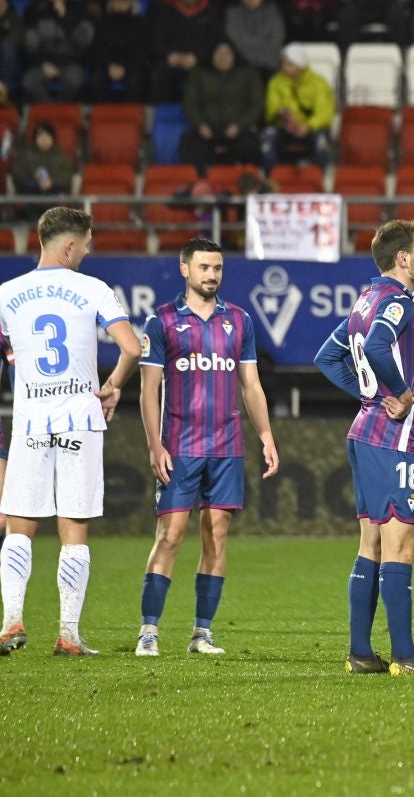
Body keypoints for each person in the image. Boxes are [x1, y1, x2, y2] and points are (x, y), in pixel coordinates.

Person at [313, 219, 414, 676]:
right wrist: (397, 391)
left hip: (365, 432)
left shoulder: (364, 300)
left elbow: (326, 356)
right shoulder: (398, 301)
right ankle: (406, 656)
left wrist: (369, 395)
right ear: (403, 259)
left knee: (371, 543)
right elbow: (378, 346)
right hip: (394, 439)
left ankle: (360, 654)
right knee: (401, 544)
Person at [0, 207, 141, 657]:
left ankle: (11, 623)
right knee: (73, 528)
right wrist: (114, 385)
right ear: (69, 245)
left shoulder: (7, 293)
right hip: (80, 416)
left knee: (19, 526)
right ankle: (68, 634)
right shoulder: (93, 289)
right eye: (86, 243)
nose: (88, 250)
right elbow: (132, 347)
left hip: (29, 420)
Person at [134, 239, 279, 658]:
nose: (212, 275)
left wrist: (266, 435)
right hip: (179, 446)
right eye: (203, 267)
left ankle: (202, 633)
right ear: (185, 269)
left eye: (217, 268)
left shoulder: (239, 320)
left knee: (216, 536)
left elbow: (251, 385)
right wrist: (154, 443)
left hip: (228, 446)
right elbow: (148, 391)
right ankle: (149, 630)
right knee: (171, 535)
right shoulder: (161, 322)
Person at [179, 41, 264, 174]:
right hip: (207, 128)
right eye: (218, 53)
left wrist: (239, 125)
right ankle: (200, 184)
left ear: (234, 55)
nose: (222, 56)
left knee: (251, 146)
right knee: (189, 145)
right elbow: (190, 103)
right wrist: (200, 125)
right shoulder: (198, 73)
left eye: (227, 53)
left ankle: (248, 182)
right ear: (212, 55)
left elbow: (256, 105)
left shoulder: (249, 74)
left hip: (238, 128)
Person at [149, 0, 222, 104]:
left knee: (205, 77)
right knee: (158, 75)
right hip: (171, 60)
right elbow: (156, 42)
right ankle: (163, 118)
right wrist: (170, 56)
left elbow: (214, 42)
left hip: (200, 62)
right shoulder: (165, 12)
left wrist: (197, 57)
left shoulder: (210, 13)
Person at [262, 43, 335, 172]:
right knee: (267, 140)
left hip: (310, 128)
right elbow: (271, 109)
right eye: (284, 63)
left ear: (300, 65)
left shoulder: (318, 83)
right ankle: (271, 179)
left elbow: (325, 112)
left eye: (289, 64)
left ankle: (317, 178)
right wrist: (283, 115)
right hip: (284, 127)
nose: (284, 67)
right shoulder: (276, 82)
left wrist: (308, 126)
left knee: (321, 143)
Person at [20, 0, 95, 103]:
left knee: (74, 81)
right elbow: (30, 44)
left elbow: (84, 42)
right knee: (29, 82)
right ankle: (51, 110)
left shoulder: (81, 11)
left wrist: (64, 17)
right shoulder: (37, 13)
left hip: (72, 62)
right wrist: (42, 63)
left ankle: (61, 108)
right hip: (44, 63)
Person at [89, 0, 149, 103]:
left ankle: (131, 116)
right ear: (111, 3)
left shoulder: (140, 23)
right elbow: (98, 48)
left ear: (131, 3)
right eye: (117, 1)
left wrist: (125, 67)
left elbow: (142, 50)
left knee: (137, 81)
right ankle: (104, 114)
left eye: (124, 1)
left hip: (132, 65)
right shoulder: (102, 22)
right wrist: (109, 65)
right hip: (107, 65)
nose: (121, 4)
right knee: (96, 80)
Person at [224, 0, 286, 75]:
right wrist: (261, 43)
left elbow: (276, 44)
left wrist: (251, 45)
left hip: (270, 66)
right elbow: (237, 44)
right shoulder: (233, 14)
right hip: (242, 67)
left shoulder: (273, 14)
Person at [10, 124, 74, 213]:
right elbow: (17, 174)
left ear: (53, 138)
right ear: (35, 138)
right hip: (31, 193)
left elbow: (67, 178)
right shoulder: (25, 155)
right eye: (40, 136)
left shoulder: (61, 157)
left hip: (53, 193)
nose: (44, 140)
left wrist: (52, 182)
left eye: (47, 136)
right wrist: (34, 177)